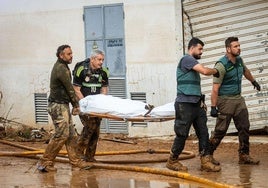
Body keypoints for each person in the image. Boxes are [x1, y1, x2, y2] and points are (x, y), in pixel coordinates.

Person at [166, 37, 221, 172]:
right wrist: (216, 70)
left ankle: (205, 160)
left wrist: (201, 102)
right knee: (182, 133)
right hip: (184, 104)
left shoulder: (192, 62)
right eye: (200, 49)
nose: (201, 52)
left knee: (203, 132)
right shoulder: (187, 59)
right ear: (192, 48)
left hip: (196, 104)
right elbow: (205, 71)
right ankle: (172, 160)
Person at [37, 45, 92, 172]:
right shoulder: (61, 69)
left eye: (71, 53)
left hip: (63, 105)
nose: (71, 56)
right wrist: (76, 105)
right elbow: (70, 89)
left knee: (71, 136)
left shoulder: (63, 67)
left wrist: (73, 105)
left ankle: (76, 162)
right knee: (62, 135)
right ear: (61, 56)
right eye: (68, 54)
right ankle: (45, 162)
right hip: (58, 105)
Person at [209, 37, 260, 165]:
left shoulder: (239, 60)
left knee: (244, 127)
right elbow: (215, 89)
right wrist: (213, 107)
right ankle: (207, 155)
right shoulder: (221, 65)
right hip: (225, 101)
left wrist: (253, 81)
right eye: (235, 46)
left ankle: (244, 155)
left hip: (238, 99)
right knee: (220, 131)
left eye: (239, 46)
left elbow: (245, 71)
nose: (238, 48)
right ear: (228, 49)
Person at [73, 49, 109, 162]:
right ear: (92, 59)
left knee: (96, 130)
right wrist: (85, 104)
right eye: (99, 59)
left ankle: (90, 157)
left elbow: (104, 89)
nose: (101, 62)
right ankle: (77, 156)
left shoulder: (103, 72)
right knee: (90, 127)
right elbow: (76, 89)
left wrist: (101, 103)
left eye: (102, 60)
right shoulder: (81, 70)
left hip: (96, 105)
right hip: (83, 103)